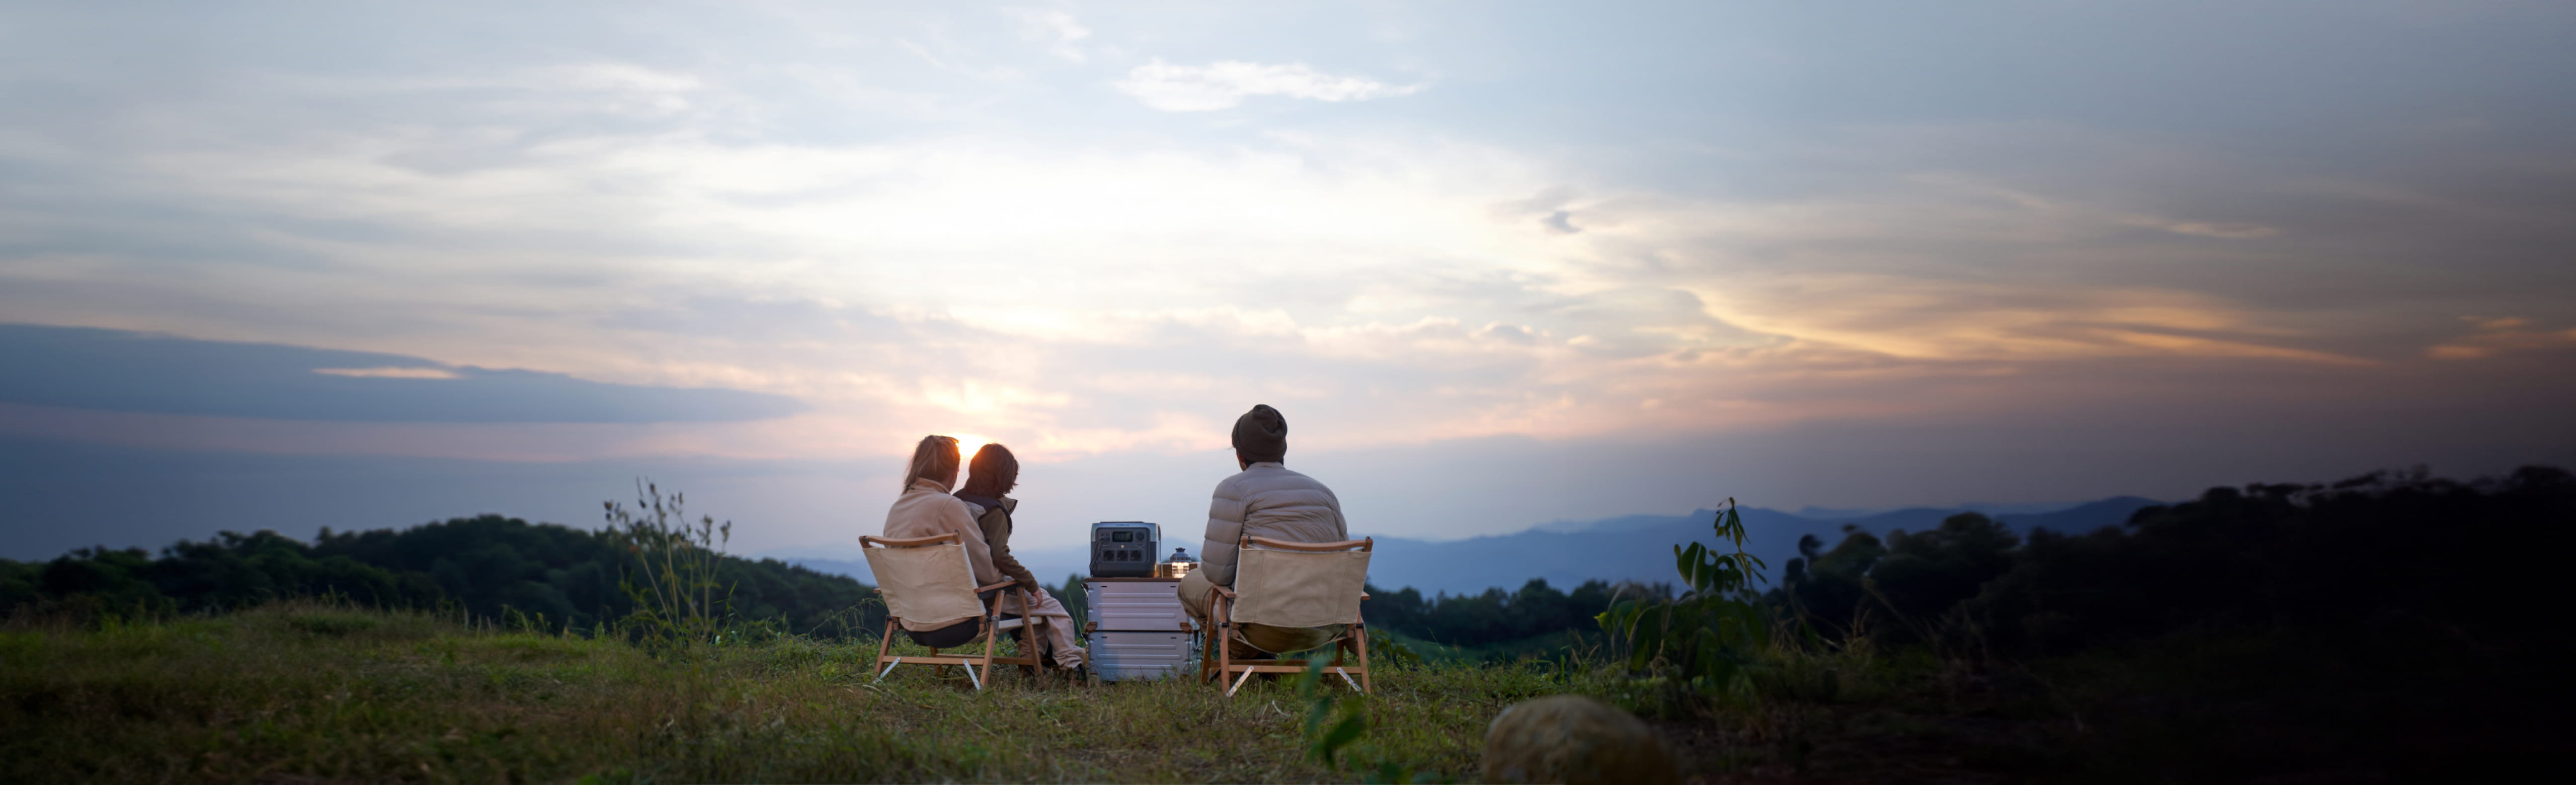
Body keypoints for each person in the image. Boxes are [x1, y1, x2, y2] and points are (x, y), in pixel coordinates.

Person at [878, 435, 1071, 665]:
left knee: (1027, 602)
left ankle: (1041, 660)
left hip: (911, 622)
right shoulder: (949, 506)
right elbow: (988, 574)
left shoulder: (898, 508)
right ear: (954, 471)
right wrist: (1020, 581)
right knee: (1037, 602)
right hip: (955, 623)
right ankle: (1068, 663)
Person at [1178, 404, 1351, 657]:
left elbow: (1217, 575)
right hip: (1323, 626)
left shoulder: (1234, 489)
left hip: (1259, 628)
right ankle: (1259, 669)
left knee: (1190, 583)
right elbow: (1343, 568)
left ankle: (1247, 661)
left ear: (1240, 455)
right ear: (1282, 450)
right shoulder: (1323, 493)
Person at [952, 442, 1087, 670]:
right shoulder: (992, 512)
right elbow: (1000, 556)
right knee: (1054, 609)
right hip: (988, 591)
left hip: (961, 586)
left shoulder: (957, 501)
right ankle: (1072, 666)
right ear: (1004, 477)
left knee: (1037, 612)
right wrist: (1030, 582)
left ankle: (1031, 665)